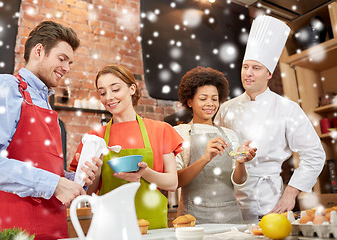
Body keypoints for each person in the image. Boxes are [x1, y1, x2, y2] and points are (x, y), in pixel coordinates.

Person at [0, 21, 101, 239]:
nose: (67, 68)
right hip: (13, 227)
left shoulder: (44, 103)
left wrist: (74, 178)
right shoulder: (4, 87)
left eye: (70, 62)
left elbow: (41, 170)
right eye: (62, 59)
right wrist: (54, 184)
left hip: (53, 226)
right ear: (39, 50)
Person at [215, 15, 326, 220]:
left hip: (270, 201)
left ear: (269, 73)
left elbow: (315, 155)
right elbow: (216, 153)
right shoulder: (225, 109)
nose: (248, 73)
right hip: (229, 201)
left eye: (256, 68)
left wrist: (290, 194)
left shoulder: (287, 108)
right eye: (245, 66)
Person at [69, 64, 184, 229]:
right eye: (102, 92)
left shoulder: (161, 130)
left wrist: (145, 173)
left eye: (115, 89)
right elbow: (87, 193)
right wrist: (94, 172)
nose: (108, 97)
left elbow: (172, 183)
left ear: (132, 89)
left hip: (152, 226)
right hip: (110, 226)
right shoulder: (94, 138)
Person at [174, 66, 257, 224]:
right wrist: (205, 158)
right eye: (203, 98)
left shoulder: (229, 134)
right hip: (194, 218)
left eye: (214, 98)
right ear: (190, 101)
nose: (210, 104)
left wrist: (240, 163)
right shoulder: (180, 133)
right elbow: (176, 181)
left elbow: (238, 181)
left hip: (231, 217)